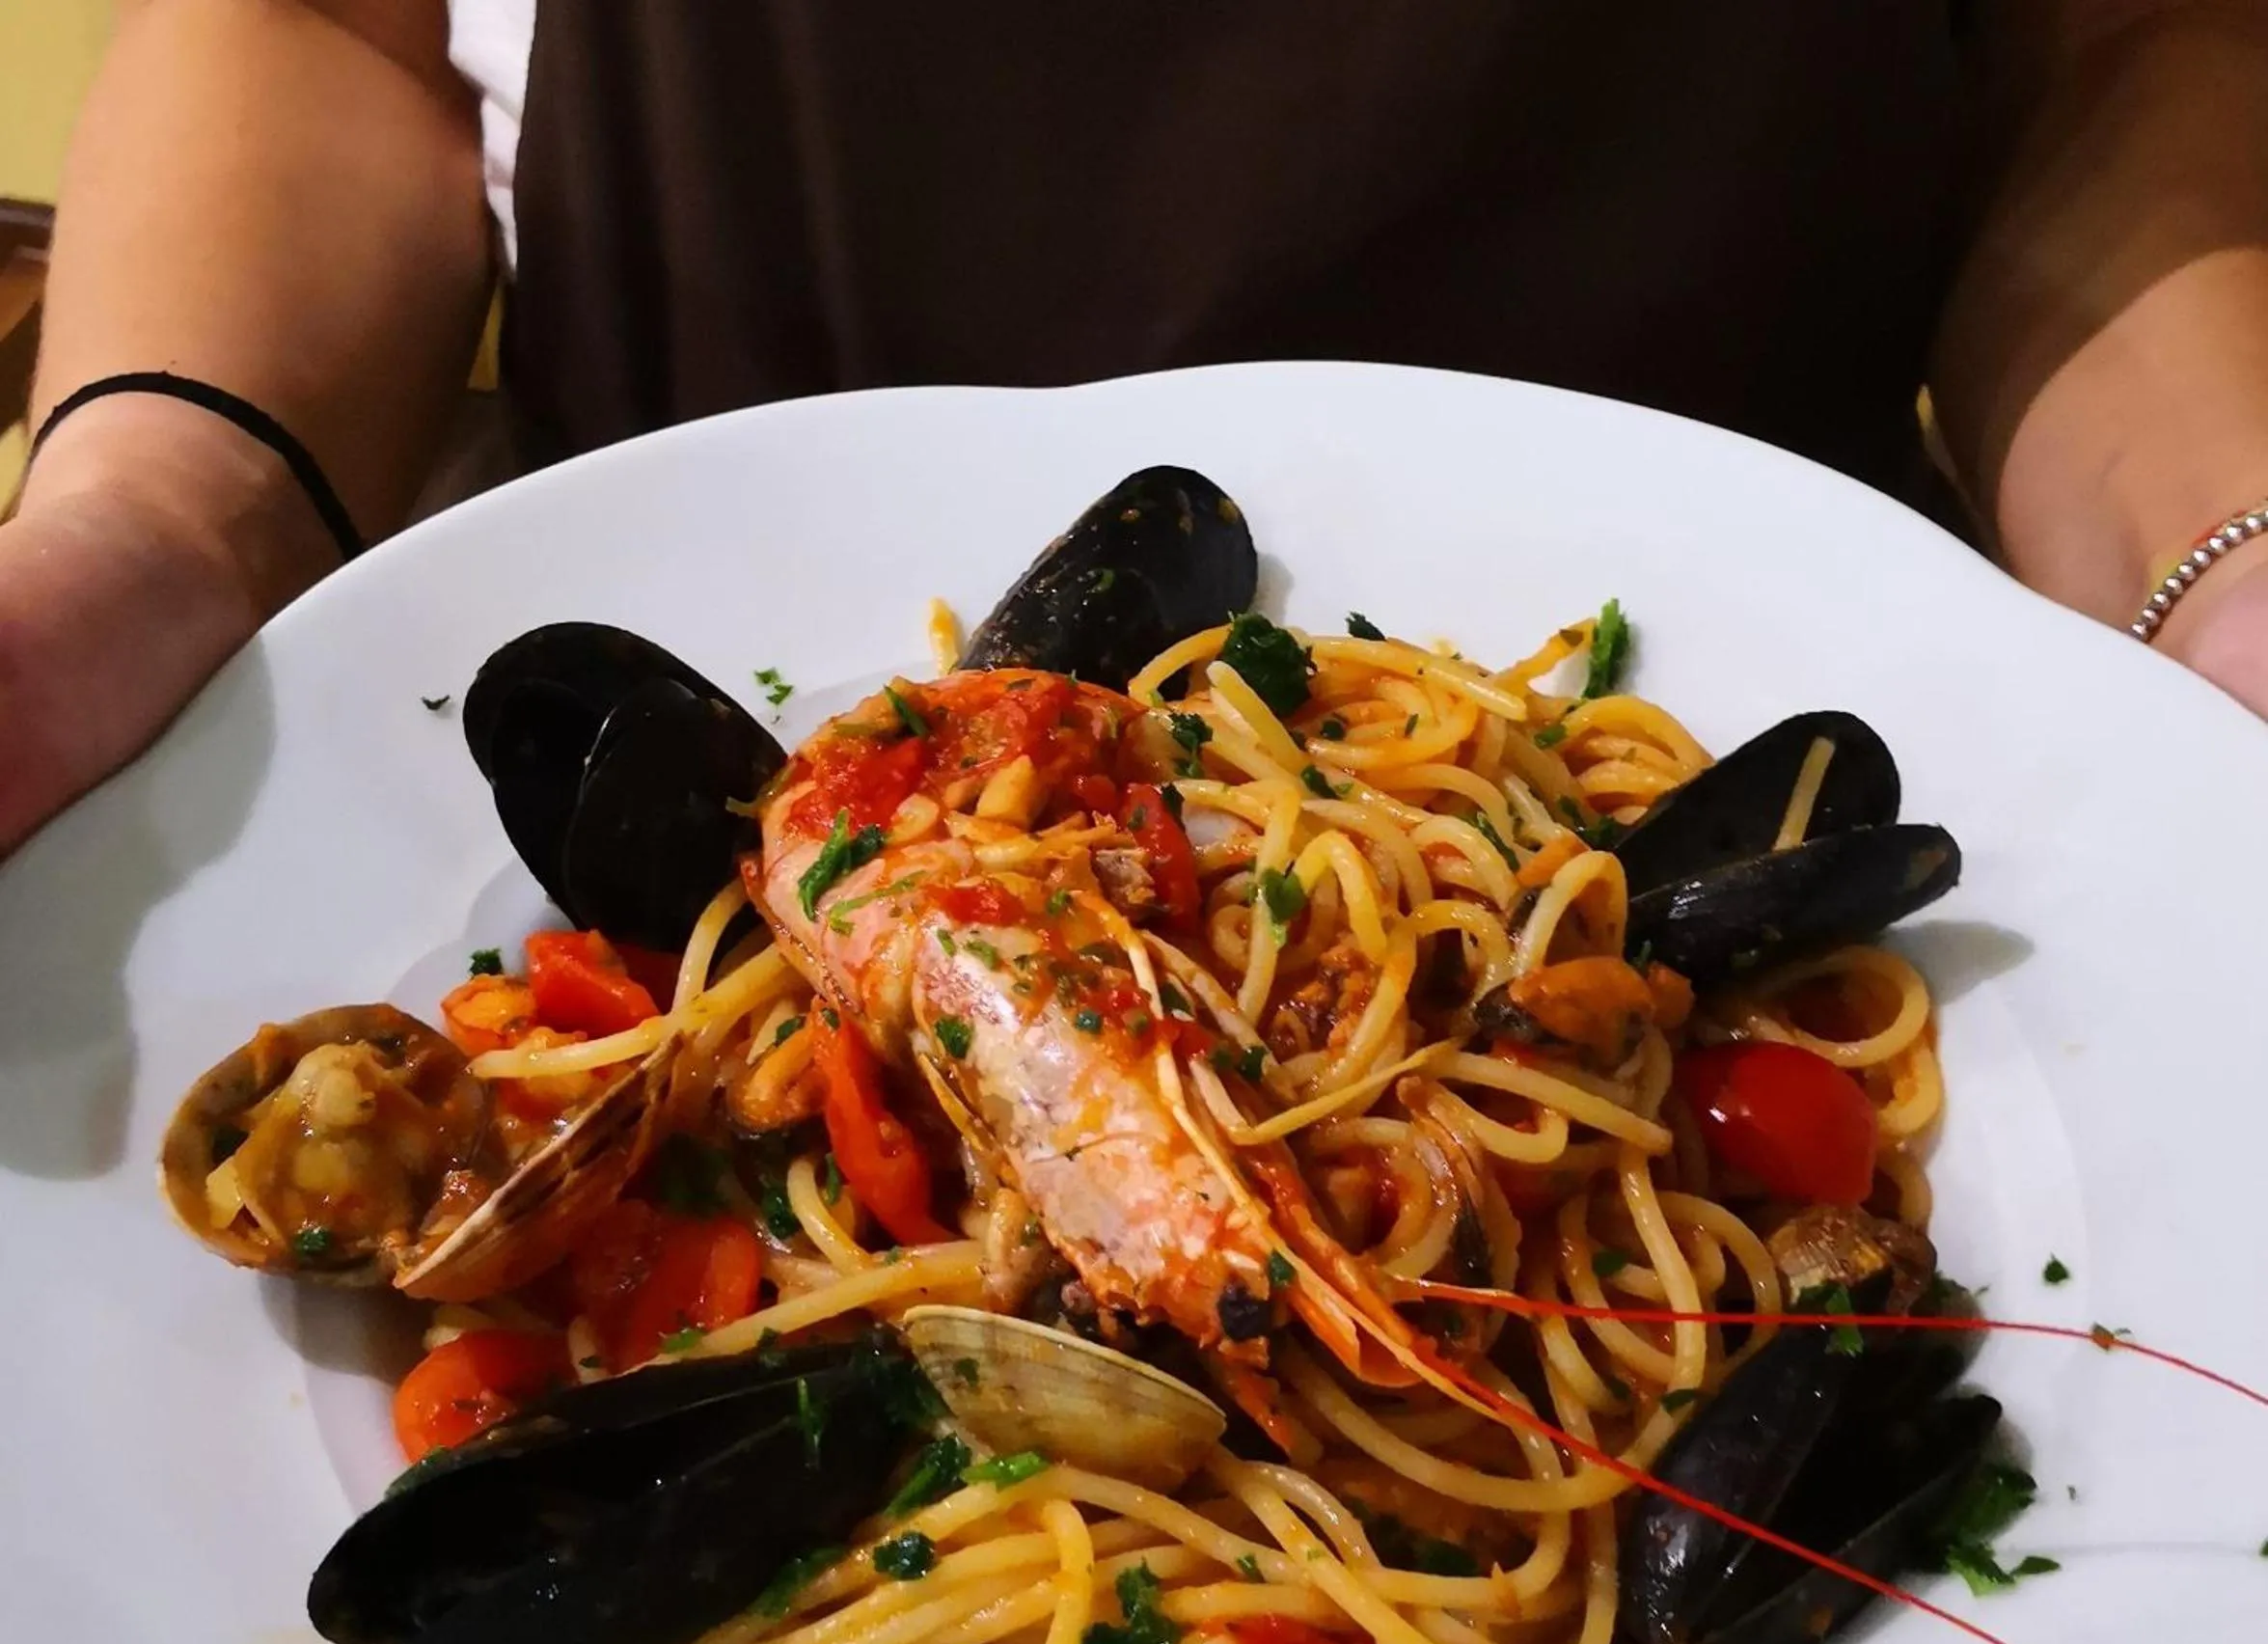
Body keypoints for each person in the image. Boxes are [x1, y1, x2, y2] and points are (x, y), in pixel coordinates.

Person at [2, 0, 2265, 863]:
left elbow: (2120, 54)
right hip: (710, 798)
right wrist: (149, 520)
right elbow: (333, 25)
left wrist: (2222, 569)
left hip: (1691, 765)